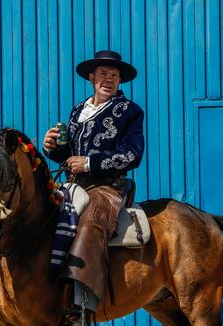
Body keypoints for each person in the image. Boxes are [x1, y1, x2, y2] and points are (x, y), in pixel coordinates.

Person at [43, 50, 144, 325]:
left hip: (107, 188)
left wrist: (89, 163)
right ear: (91, 77)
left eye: (114, 75)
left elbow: (133, 154)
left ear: (120, 80)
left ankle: (81, 309)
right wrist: (52, 146)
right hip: (74, 185)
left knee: (88, 224)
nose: (108, 79)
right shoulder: (78, 109)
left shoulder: (130, 111)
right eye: (103, 74)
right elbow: (69, 155)